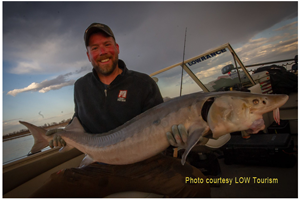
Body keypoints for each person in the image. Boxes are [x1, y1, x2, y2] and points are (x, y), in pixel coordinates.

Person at [31, 23, 210, 198]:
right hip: (98, 166)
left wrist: (179, 138)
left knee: (198, 186)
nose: (102, 52)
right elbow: (79, 121)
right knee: (47, 192)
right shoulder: (81, 86)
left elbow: (161, 128)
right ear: (88, 55)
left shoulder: (143, 83)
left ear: (117, 48)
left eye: (107, 45)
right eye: (95, 48)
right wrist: (62, 135)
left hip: (147, 165)